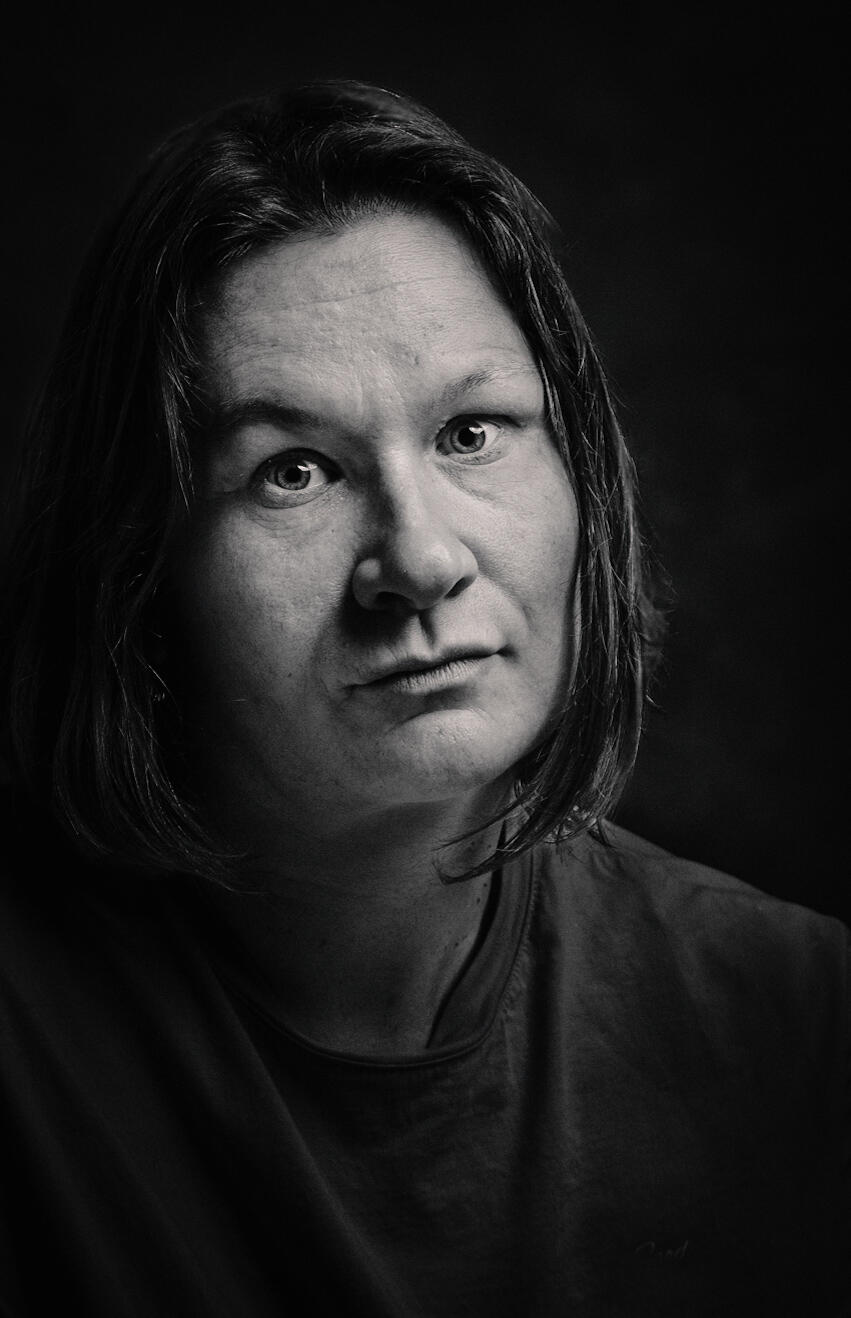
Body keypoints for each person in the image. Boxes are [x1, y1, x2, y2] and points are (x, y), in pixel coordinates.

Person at [0, 79, 846, 1318]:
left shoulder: (796, 1017)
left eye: (470, 433)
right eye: (293, 471)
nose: (417, 557)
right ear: (138, 561)